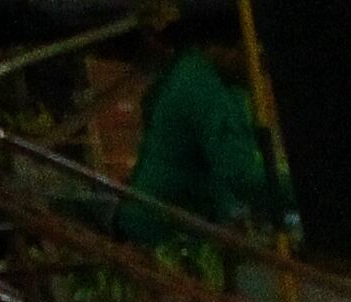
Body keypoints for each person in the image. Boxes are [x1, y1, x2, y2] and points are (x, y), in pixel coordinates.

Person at [120, 2, 289, 243]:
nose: (262, 70)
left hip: (188, 224)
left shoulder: (226, 85)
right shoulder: (201, 86)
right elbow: (241, 175)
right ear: (232, 50)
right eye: (257, 57)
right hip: (161, 233)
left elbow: (241, 154)